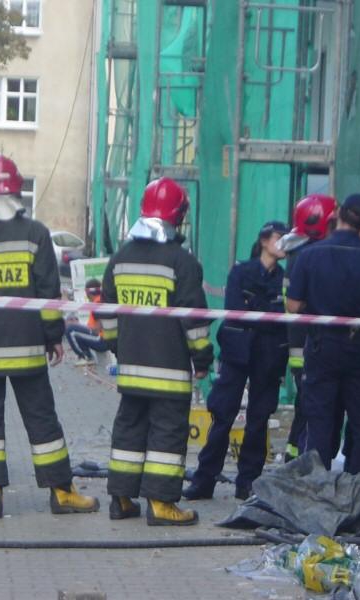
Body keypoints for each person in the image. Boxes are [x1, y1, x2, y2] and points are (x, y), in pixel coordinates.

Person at [0, 153, 99, 519]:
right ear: (16, 191)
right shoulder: (35, 233)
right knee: (42, 420)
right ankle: (61, 491)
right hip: (27, 348)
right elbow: (48, 294)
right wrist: (53, 336)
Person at [98, 177, 213, 526]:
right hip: (170, 369)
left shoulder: (119, 258)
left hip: (131, 368)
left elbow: (108, 315)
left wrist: (120, 348)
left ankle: (121, 499)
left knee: (129, 430)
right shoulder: (183, 262)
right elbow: (194, 321)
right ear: (177, 215)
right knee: (167, 434)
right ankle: (162, 504)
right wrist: (203, 358)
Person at [182, 221, 289, 501]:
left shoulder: (285, 279)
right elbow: (237, 309)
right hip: (237, 352)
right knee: (223, 415)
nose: (284, 244)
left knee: (259, 418)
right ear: (265, 241)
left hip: (268, 354)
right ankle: (205, 479)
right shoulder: (242, 271)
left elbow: (281, 315)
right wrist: (264, 309)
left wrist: (257, 305)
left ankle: (248, 482)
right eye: (280, 238)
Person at [286, 194, 360, 476]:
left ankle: (317, 490)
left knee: (319, 421)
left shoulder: (310, 254)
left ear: (339, 214)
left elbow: (293, 306)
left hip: (322, 346)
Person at [278, 194, 337, 462]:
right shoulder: (306, 256)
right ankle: (298, 462)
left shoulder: (297, 253)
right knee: (311, 409)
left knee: (305, 408)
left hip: (301, 345)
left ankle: (293, 457)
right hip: (308, 346)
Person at [64, 279, 109, 366]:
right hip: (104, 338)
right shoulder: (100, 300)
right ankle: (86, 354)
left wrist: (80, 327)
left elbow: (99, 327)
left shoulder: (98, 303)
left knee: (71, 330)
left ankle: (85, 357)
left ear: (87, 292)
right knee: (75, 328)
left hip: (102, 340)